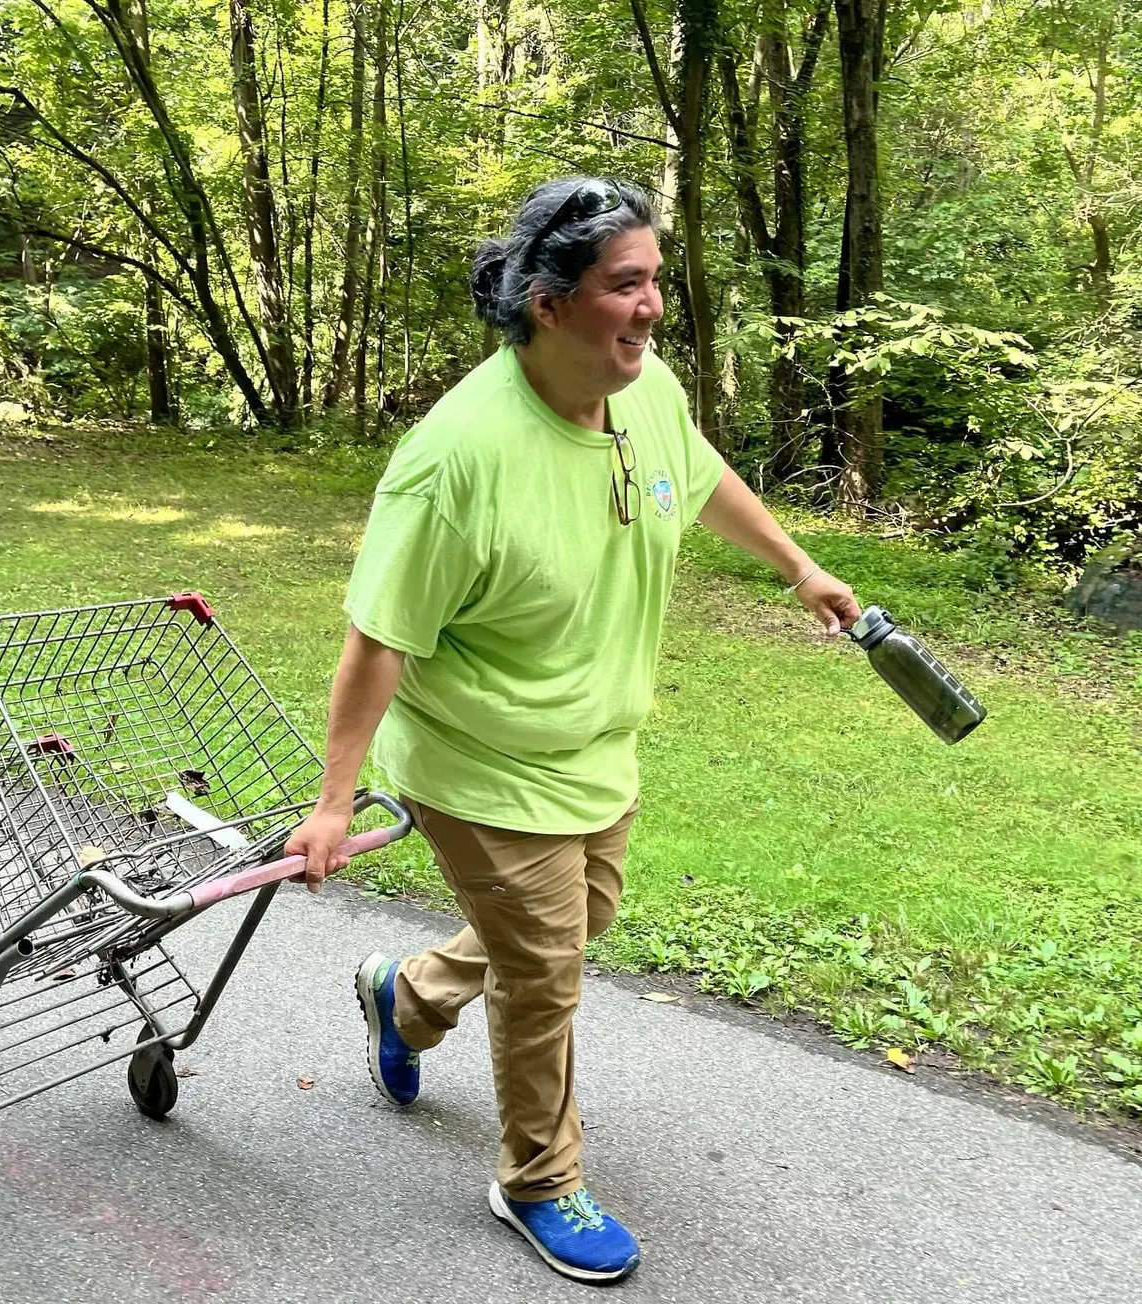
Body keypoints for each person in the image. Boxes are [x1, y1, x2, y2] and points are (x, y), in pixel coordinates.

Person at [284, 177, 860, 1285]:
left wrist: (796, 565)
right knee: (544, 969)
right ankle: (536, 1177)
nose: (650, 307)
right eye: (623, 285)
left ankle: (401, 996)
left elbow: (696, 475)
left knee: (579, 914)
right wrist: (329, 801)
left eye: (652, 281)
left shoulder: (642, 390)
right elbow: (377, 638)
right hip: (476, 757)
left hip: (594, 744)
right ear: (547, 304)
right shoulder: (455, 461)